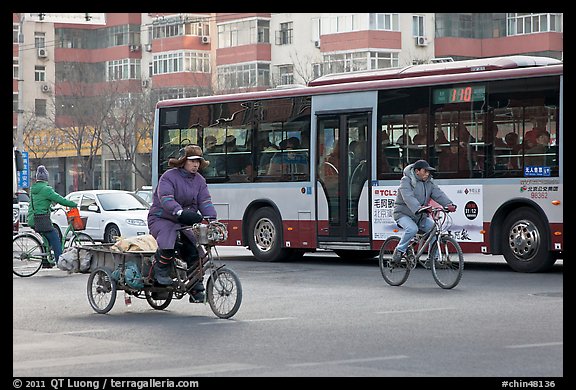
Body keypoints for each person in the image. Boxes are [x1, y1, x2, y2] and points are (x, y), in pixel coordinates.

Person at [147, 144, 217, 302]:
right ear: (183, 161)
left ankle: (195, 287)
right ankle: (161, 272)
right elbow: (165, 197)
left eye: (198, 161)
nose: (196, 165)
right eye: (192, 161)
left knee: (195, 251)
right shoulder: (169, 176)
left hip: (184, 221)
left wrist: (212, 218)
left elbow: (205, 201)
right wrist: (179, 211)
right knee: (168, 241)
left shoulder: (199, 180)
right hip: (162, 218)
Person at [392, 160, 457, 263]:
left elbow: (438, 194)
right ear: (417, 171)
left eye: (428, 171)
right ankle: (399, 250)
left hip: (419, 216)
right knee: (412, 229)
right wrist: (418, 208)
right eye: (425, 171)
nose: (427, 173)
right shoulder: (406, 180)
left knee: (433, 229)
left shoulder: (429, 183)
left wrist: (449, 204)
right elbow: (408, 197)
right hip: (403, 214)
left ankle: (432, 259)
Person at [29, 165, 78, 268]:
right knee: (55, 237)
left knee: (46, 239)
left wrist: (50, 208)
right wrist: (73, 204)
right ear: (46, 178)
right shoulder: (46, 189)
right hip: (42, 219)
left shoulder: (33, 189)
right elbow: (60, 199)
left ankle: (46, 262)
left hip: (33, 219)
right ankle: (60, 262)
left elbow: (38, 204)